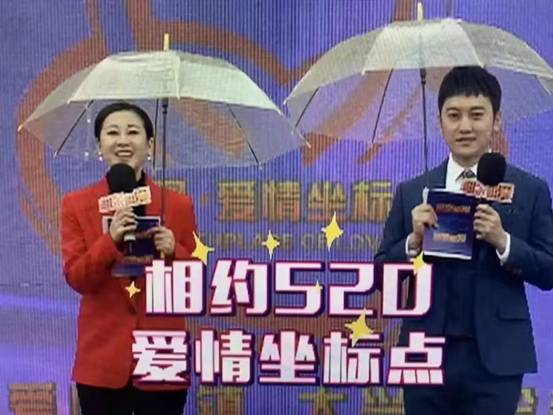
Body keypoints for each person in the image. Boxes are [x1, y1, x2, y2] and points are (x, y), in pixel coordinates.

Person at [375, 66, 553, 415]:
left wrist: (504, 242)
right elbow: (381, 274)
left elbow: (549, 270)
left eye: (477, 114)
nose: (465, 126)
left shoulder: (528, 190)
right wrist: (413, 242)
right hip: (425, 352)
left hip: (495, 358)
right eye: (454, 115)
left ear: (496, 121)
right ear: (440, 122)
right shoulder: (413, 192)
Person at [61, 102, 196, 415]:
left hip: (161, 357)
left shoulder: (177, 205)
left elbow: (195, 285)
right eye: (112, 133)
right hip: (102, 360)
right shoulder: (76, 204)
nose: (123, 140)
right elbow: (77, 277)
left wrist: (174, 252)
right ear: (100, 146)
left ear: (150, 145)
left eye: (133, 132)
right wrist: (110, 242)